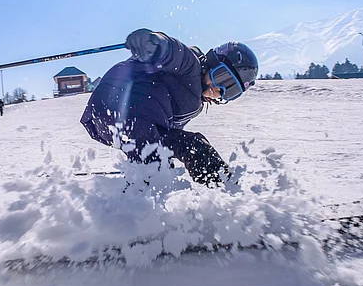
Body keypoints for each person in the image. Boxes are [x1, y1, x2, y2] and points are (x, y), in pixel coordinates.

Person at [80, 28, 258, 185]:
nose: (218, 90)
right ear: (212, 62)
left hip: (126, 122)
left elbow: (167, 136)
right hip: (121, 104)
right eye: (222, 78)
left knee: (192, 147)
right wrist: (156, 44)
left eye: (230, 90)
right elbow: (175, 53)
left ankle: (223, 192)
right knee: (158, 170)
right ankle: (141, 205)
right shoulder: (192, 67)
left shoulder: (193, 101)